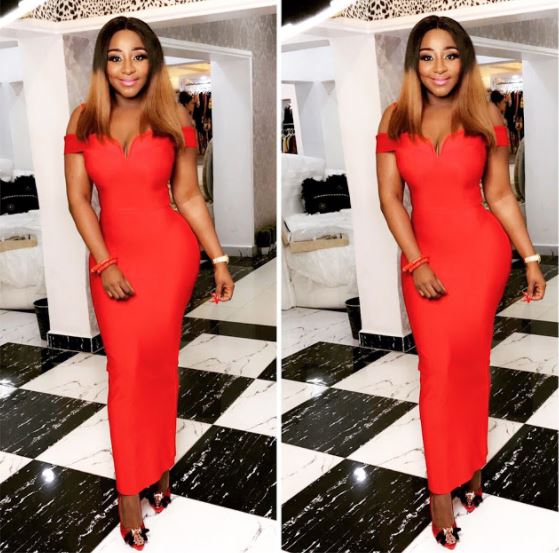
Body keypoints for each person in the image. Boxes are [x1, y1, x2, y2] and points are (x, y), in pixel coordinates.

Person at [63, 16, 235, 549]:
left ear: (153, 61)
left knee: (160, 368)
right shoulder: (83, 119)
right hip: (112, 260)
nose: (127, 67)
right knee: (125, 371)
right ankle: (128, 494)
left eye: (138, 55)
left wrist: (219, 258)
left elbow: (188, 196)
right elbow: (78, 201)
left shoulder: (174, 116)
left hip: (169, 256)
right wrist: (105, 262)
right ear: (103, 64)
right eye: (115, 57)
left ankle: (159, 469)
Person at [375, 15, 545, 550]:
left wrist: (530, 257)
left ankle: (471, 465)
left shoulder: (487, 115)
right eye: (427, 56)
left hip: (481, 255)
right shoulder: (396, 117)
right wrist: (417, 261)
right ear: (415, 63)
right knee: (437, 371)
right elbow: (390, 200)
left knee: (471, 366)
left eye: (450, 54)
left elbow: (500, 195)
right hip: (424, 260)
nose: (439, 67)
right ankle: (440, 493)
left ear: (464, 60)